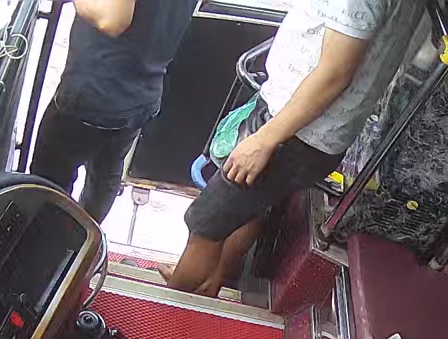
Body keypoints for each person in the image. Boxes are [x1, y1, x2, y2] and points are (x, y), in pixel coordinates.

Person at [163, 0, 428, 296]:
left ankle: (175, 300)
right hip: (307, 128)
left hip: (296, 131)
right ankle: (210, 281)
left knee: (205, 223)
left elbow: (333, 74)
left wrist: (264, 140)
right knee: (244, 207)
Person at [29, 0, 197, 222]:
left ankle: (46, 236)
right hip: (143, 92)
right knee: (106, 172)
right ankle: (86, 234)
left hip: (95, 92)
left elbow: (111, 20)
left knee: (47, 181)